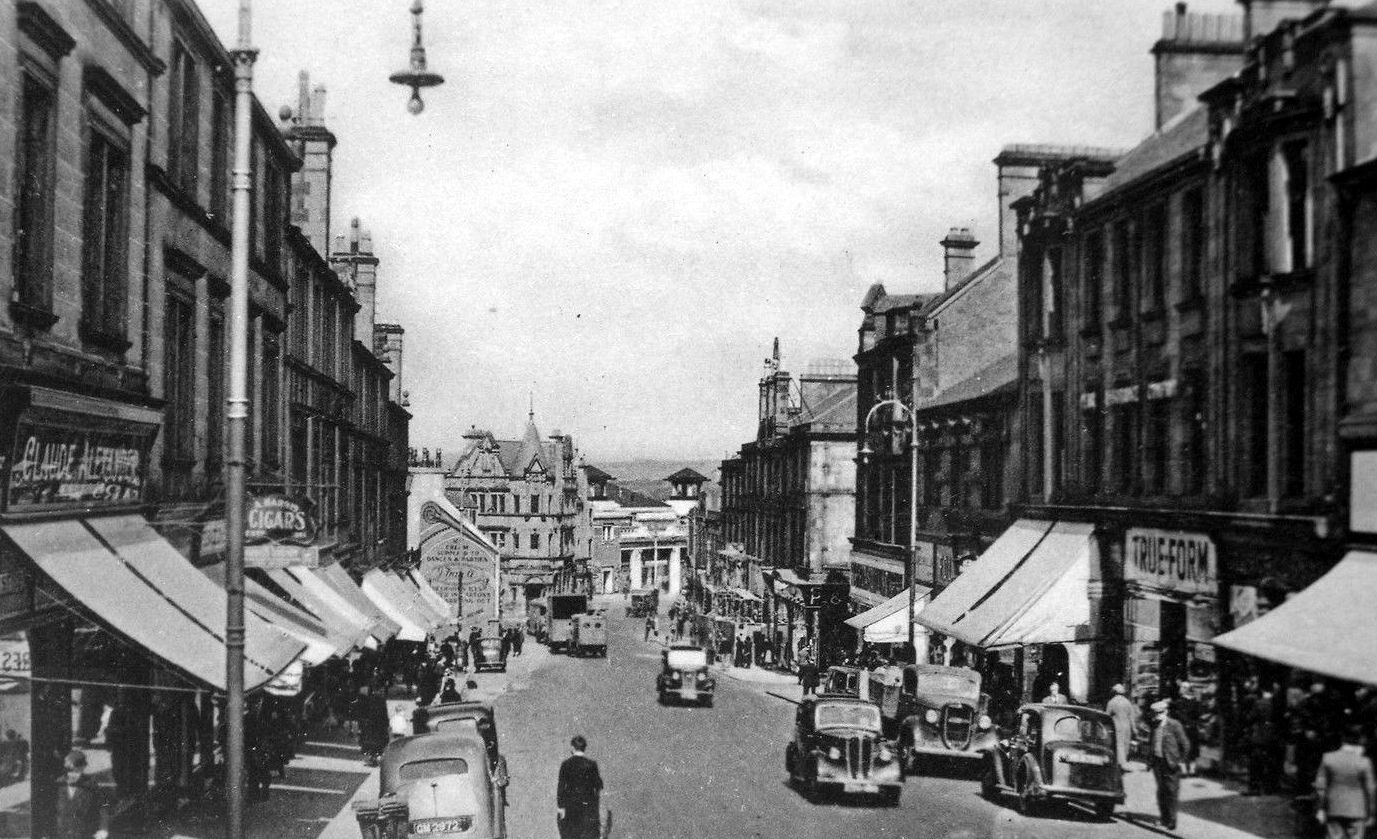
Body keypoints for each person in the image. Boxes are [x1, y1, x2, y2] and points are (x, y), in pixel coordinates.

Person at [1314, 724, 1376, 839]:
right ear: (1360, 740)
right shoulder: (1364, 762)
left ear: (1343, 739)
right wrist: (1372, 813)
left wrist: (1320, 808)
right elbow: (1371, 789)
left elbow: (1320, 787)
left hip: (1333, 808)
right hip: (1357, 810)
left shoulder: (1328, 758)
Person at [1149, 699, 1191, 832]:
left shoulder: (1174, 725)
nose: (1157, 716)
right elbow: (1152, 742)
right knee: (1161, 792)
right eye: (1155, 713)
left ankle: (1172, 821)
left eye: (1160, 713)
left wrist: (1180, 760)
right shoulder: (1154, 725)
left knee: (1171, 792)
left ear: (1166, 712)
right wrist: (1149, 760)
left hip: (1171, 764)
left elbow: (1185, 745)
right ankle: (1164, 819)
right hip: (1158, 763)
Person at [556, 735, 604, 839]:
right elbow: (598, 785)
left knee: (571, 834)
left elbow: (561, 787)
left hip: (570, 807)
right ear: (584, 748)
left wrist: (560, 807)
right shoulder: (591, 765)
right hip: (587, 807)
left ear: (572, 748)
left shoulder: (566, 764)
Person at [54, 749, 109, 839]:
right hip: (61, 833)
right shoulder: (58, 784)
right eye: (70, 771)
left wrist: (103, 828)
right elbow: (49, 810)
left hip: (85, 833)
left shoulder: (91, 784)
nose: (74, 774)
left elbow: (104, 805)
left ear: (83, 768)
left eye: (78, 771)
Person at [1106, 684, 1137, 770]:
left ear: (1115, 692)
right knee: (1125, 744)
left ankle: (1120, 764)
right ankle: (1124, 762)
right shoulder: (1127, 702)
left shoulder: (1111, 702)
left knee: (1118, 745)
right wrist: (1134, 729)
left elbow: (1107, 716)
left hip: (1116, 726)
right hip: (1126, 727)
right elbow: (1132, 717)